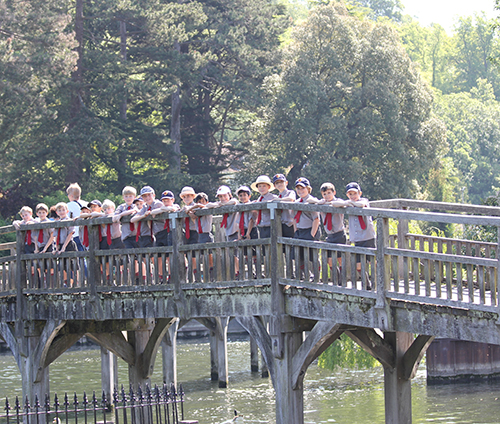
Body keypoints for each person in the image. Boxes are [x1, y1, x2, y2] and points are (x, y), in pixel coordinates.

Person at [309, 183, 348, 282]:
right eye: (324, 194)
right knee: (329, 260)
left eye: (329, 193)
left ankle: (342, 279)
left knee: (340, 258)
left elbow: (343, 203)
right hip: (330, 235)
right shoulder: (322, 203)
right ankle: (336, 276)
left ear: (334, 192)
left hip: (339, 233)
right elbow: (311, 200)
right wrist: (321, 201)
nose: (327, 196)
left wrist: (329, 203)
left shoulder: (338, 201)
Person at [345, 182, 376, 289]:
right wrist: (348, 203)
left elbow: (361, 205)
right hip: (357, 239)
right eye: (350, 194)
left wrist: (351, 203)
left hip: (368, 236)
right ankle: (366, 283)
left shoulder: (364, 201)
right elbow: (336, 204)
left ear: (360, 193)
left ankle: (376, 282)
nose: (353, 196)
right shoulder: (348, 203)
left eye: (355, 193)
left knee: (373, 261)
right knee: (359, 265)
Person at [293, 177, 320, 280]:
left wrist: (312, 235)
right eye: (298, 189)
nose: (300, 191)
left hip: (311, 230)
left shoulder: (311, 201)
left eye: (302, 188)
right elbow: (294, 218)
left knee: (313, 256)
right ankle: (305, 275)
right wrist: (296, 231)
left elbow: (316, 219)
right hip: (300, 231)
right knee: (300, 256)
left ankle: (316, 277)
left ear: (308, 189)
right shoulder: (296, 202)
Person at [271, 174, 296, 238]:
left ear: (286, 183)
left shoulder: (290, 192)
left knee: (291, 244)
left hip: (290, 224)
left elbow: (291, 199)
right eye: (277, 183)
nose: (279, 184)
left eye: (281, 182)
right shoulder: (276, 196)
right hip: (280, 224)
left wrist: (279, 200)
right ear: (274, 186)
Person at [66, 183, 88, 252]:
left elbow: (67, 217)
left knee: (79, 252)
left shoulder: (69, 205)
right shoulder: (86, 204)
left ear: (71, 196)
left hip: (76, 233)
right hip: (86, 232)